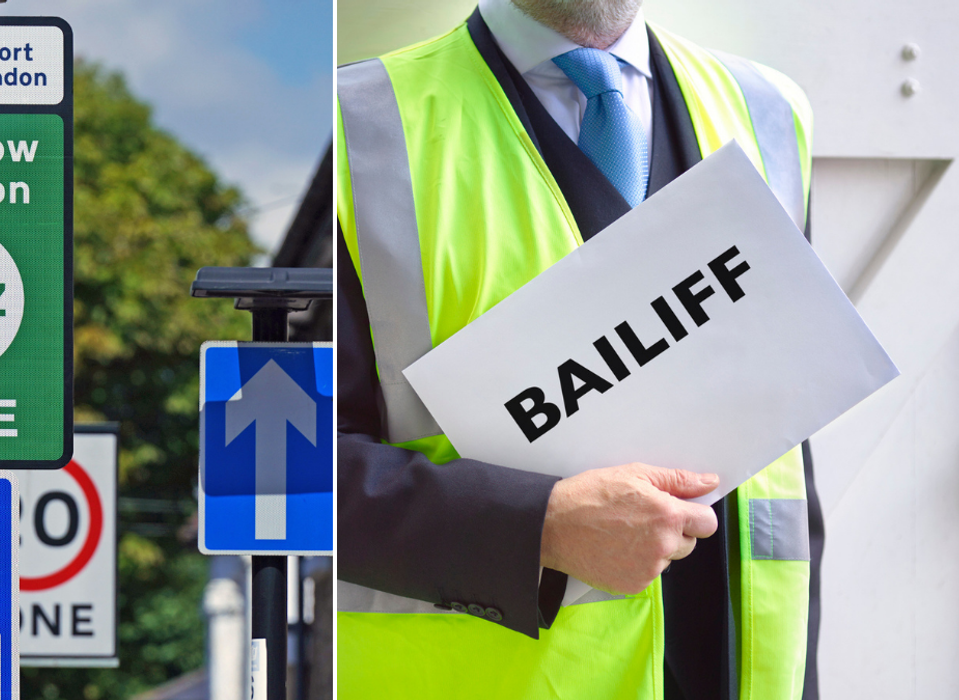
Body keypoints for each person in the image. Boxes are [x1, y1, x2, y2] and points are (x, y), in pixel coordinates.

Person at [335, 0, 825, 698]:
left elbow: (789, 477)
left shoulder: (770, 112)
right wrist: (533, 527)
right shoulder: (349, 127)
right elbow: (264, 474)